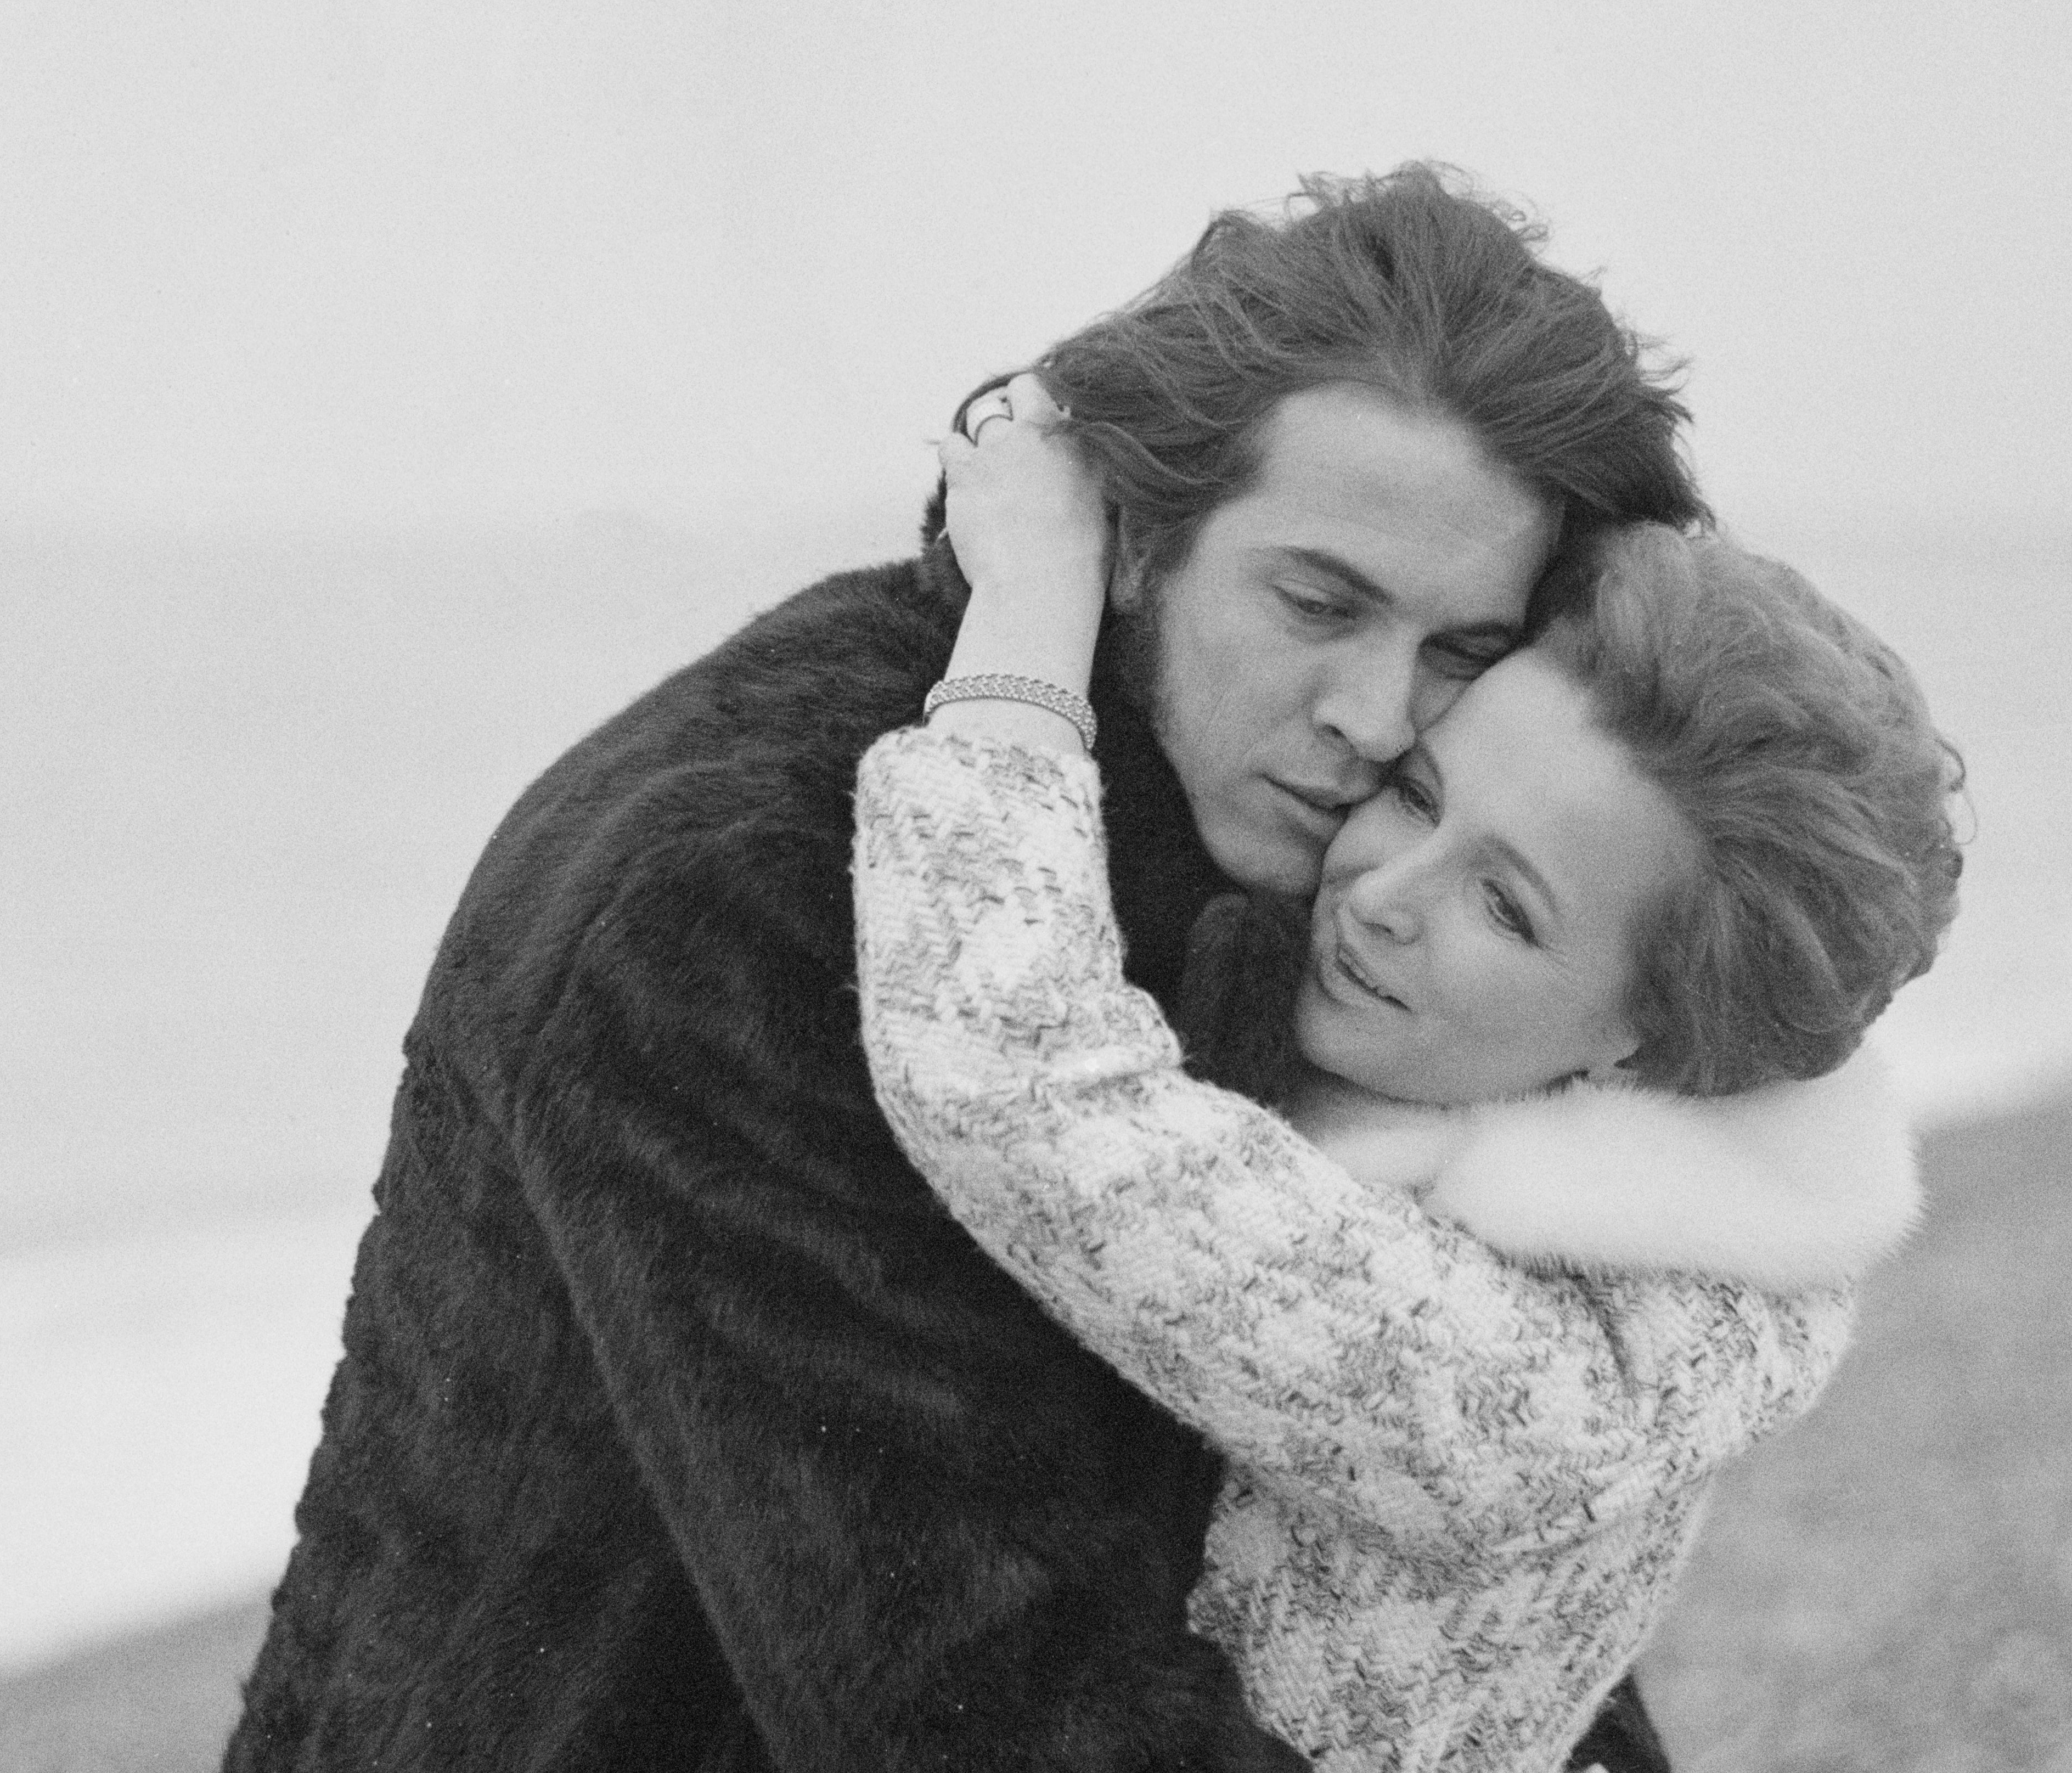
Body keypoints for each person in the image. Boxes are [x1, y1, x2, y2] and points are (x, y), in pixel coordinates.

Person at [223, 167, 1705, 1771]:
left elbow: (1444, 1568)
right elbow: (971, 1699)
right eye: (1317, 603)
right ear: (1134, 544)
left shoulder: (1329, 883)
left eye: (1461, 652)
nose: (1371, 714)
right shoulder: (738, 880)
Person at [849, 391, 1963, 1771]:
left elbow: (1020, 1084)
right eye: (1422, 795)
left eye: (1505, 909)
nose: (1381, 891)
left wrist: (1031, 617)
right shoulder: (1583, 1192)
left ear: (1646, 1045)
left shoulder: (1533, 1380)